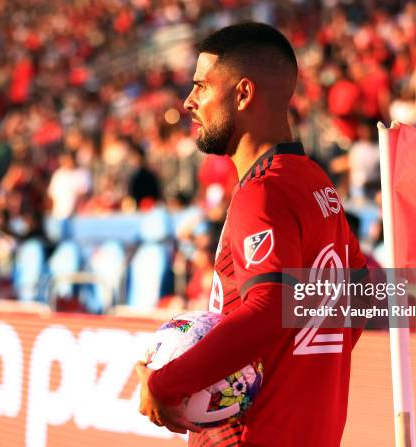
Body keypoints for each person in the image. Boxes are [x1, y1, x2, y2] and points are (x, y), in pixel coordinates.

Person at [136, 22, 366, 446]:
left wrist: (165, 384)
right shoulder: (317, 185)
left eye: (202, 86)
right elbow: (361, 291)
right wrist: (300, 379)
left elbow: (269, 307)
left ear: (242, 94)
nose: (189, 102)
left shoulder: (261, 193)